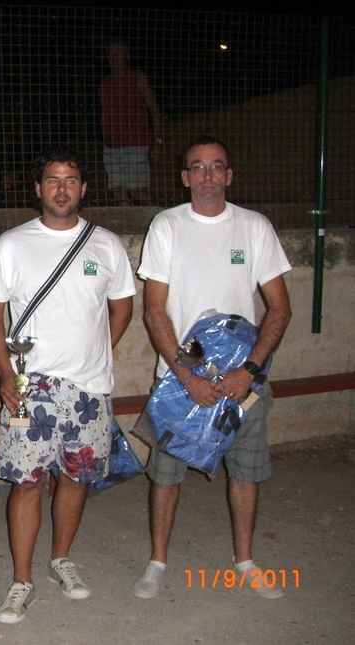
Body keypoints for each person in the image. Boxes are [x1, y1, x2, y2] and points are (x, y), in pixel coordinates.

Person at [0, 148, 135, 624]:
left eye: (70, 180)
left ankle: (61, 559)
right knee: (26, 485)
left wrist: (96, 352)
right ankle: (21, 579)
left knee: (75, 478)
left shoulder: (106, 244)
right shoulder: (11, 244)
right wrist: (7, 375)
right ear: (37, 188)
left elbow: (123, 306)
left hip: (88, 388)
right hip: (29, 389)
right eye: (52, 180)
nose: (61, 188)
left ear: (84, 189)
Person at [133, 135, 292, 600]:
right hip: (182, 382)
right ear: (184, 178)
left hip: (243, 383)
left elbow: (279, 309)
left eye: (216, 166)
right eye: (197, 167)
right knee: (165, 476)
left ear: (229, 175)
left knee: (246, 471)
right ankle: (157, 562)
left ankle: (245, 560)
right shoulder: (166, 226)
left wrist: (251, 371)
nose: (207, 175)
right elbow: (155, 311)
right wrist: (187, 377)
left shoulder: (255, 227)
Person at [98, 39, 163, 206]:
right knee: (119, 192)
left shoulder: (137, 77)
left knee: (137, 190)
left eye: (118, 53)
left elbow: (154, 108)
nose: (114, 58)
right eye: (111, 54)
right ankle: (126, 231)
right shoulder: (104, 84)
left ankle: (157, 222)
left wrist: (157, 141)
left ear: (126, 56)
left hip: (136, 144)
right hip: (111, 147)